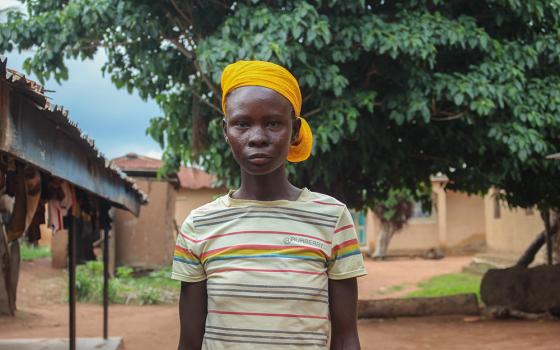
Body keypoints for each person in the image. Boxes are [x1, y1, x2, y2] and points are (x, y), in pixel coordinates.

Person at [172, 60, 367, 350]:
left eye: (273, 123)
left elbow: (346, 337)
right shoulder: (199, 226)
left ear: (296, 129)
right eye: (242, 124)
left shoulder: (331, 218)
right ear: (226, 131)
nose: (258, 137)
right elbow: (189, 342)